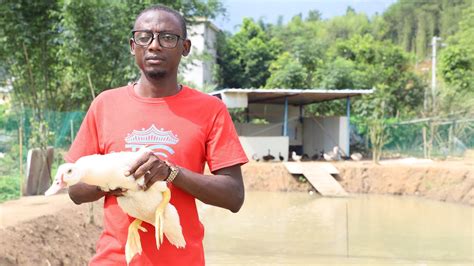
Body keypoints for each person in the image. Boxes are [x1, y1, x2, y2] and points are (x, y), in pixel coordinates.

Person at [66, 4, 248, 265]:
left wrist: (171, 172)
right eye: (144, 36)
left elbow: (234, 196)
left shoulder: (211, 110)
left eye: (167, 37)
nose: (154, 45)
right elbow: (75, 192)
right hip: (115, 260)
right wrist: (114, 179)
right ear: (133, 45)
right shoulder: (105, 105)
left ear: (185, 48)